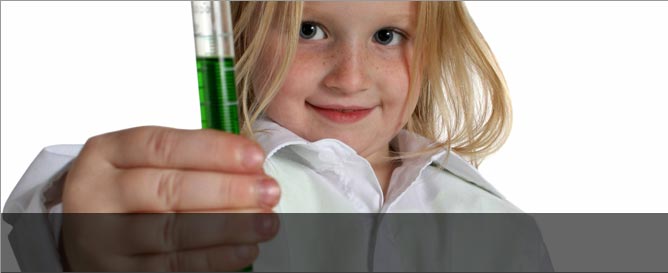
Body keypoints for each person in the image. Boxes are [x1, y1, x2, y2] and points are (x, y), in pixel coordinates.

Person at [3, 2, 552, 271]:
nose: (350, 77)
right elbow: (69, 209)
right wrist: (79, 231)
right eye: (309, 30)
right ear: (240, 29)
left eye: (388, 36)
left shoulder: (496, 224)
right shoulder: (218, 189)